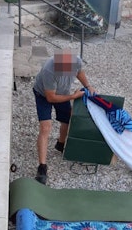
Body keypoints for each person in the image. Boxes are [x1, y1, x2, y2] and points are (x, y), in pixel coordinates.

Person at [32, 50, 96, 184]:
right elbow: (51, 97)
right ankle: (42, 167)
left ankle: (60, 144)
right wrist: (73, 96)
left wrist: (88, 86)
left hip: (62, 93)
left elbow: (79, 72)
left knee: (67, 119)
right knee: (45, 127)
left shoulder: (76, 61)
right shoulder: (49, 71)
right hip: (43, 95)